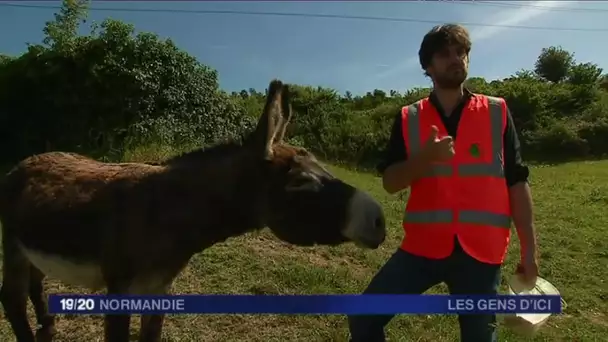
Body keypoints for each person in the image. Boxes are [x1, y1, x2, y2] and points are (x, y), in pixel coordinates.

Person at [347, 23, 539, 342]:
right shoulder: (409, 116)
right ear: (428, 65)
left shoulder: (497, 111)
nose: (456, 59)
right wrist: (425, 159)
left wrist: (530, 251)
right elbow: (391, 182)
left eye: (461, 52)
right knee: (364, 317)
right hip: (422, 250)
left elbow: (517, 183)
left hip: (481, 255)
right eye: (445, 54)